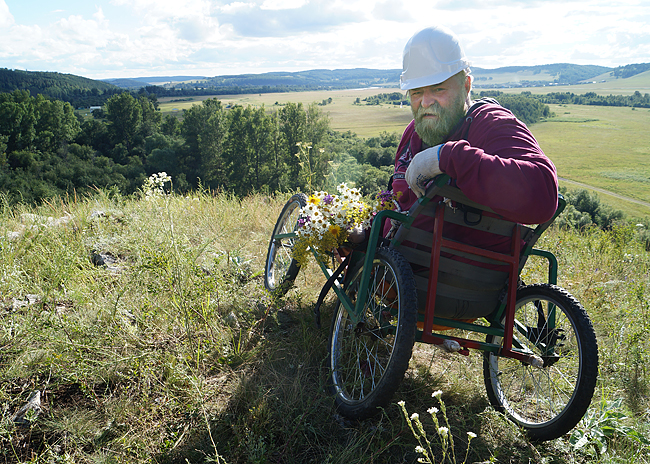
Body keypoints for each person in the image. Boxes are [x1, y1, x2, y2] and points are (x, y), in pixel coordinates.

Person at [386, 26, 558, 242]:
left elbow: (543, 195)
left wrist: (447, 157)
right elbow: (397, 204)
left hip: (444, 273)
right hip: (389, 266)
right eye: (417, 92)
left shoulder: (491, 124)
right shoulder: (413, 132)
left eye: (438, 89)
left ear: (466, 86)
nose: (426, 102)